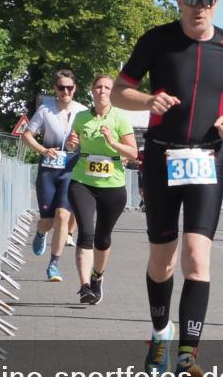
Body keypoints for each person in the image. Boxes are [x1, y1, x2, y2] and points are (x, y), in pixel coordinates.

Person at [113, 0, 223, 377]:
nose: (200, 9)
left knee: (197, 256)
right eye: (192, 1)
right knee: (164, 260)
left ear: (217, 2)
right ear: (178, 0)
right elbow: (120, 90)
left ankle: (188, 357)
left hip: (207, 158)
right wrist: (147, 99)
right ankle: (160, 332)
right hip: (161, 156)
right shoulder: (156, 40)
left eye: (207, 1)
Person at [65, 74, 137, 305]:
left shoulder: (120, 118)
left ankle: (97, 277)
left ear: (113, 92)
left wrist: (112, 142)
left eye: (107, 87)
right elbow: (71, 143)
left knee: (102, 238)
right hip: (82, 181)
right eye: (98, 86)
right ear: (92, 90)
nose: (102, 90)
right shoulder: (81, 117)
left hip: (112, 185)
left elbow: (133, 153)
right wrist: (71, 144)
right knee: (86, 232)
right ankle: (85, 286)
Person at [20, 70, 87, 282]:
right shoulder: (45, 109)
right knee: (48, 221)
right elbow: (26, 135)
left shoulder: (83, 112)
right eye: (61, 87)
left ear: (75, 89)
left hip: (70, 169)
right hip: (48, 170)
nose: (65, 91)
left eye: (69, 87)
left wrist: (79, 145)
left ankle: (54, 265)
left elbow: (90, 140)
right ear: (55, 89)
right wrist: (42, 150)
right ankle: (40, 233)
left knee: (63, 216)